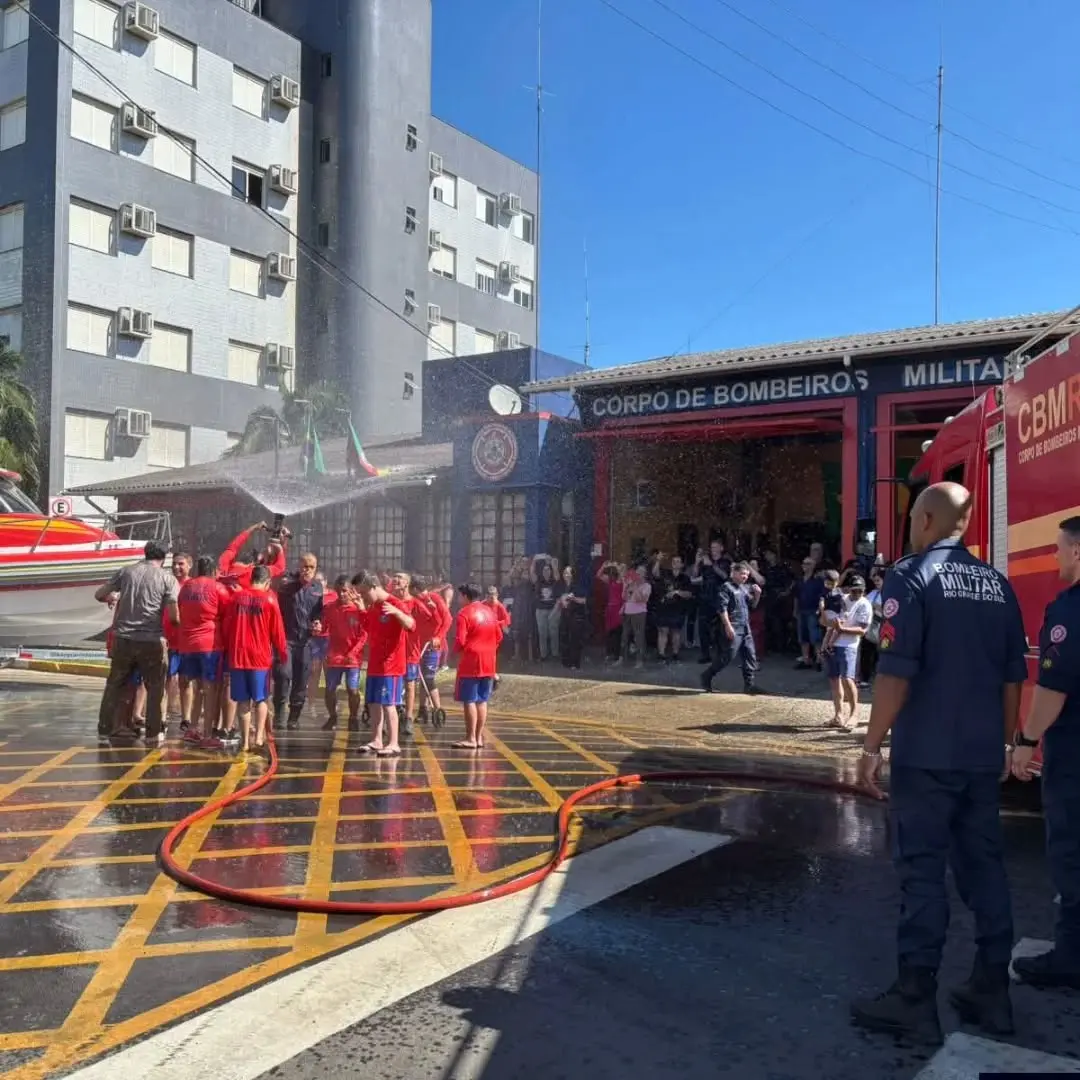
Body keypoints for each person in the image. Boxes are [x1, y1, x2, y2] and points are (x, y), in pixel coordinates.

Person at [852, 482, 1028, 1043]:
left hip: (926, 756)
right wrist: (1004, 744)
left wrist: (870, 745)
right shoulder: (998, 585)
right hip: (980, 758)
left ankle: (914, 998)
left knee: (923, 873)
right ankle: (992, 991)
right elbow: (1012, 678)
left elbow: (896, 672)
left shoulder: (910, 576)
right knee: (986, 869)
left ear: (926, 518)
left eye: (910, 516)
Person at [1011, 515, 1080, 990]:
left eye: (1059, 547)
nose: (1055, 555)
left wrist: (1026, 741)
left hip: (1075, 757)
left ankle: (1072, 957)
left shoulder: (1070, 610)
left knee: (1072, 853)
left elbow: (1053, 689)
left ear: (1078, 552)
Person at [95, 541, 180, 746]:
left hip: (123, 638)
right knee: (155, 687)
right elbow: (174, 616)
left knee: (114, 684)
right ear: (165, 557)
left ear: (146, 553)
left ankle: (105, 730)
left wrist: (113, 596)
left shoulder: (126, 572)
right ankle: (152, 734)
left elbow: (99, 594)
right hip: (151, 640)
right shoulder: (168, 579)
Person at [222, 564, 287, 755]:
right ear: (267, 582)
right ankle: (259, 736)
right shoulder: (269, 599)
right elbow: (278, 631)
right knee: (261, 698)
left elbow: (227, 626)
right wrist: (283, 653)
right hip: (260, 658)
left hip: (238, 656)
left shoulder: (236, 598)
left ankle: (244, 742)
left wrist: (227, 648)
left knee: (243, 701)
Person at [353, 570, 415, 756]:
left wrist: (397, 613)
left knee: (389, 703)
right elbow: (369, 628)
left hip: (391, 665)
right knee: (373, 702)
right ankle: (376, 740)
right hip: (375, 663)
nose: (363, 596)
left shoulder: (395, 603)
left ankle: (394, 742)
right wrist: (361, 609)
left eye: (364, 593)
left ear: (374, 587)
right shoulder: (373, 607)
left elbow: (411, 625)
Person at [176, 555, 232, 745]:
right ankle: (208, 733)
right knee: (210, 689)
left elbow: (180, 607)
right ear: (213, 571)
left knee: (197, 687)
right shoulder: (217, 588)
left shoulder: (186, 588)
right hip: (209, 644)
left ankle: (192, 728)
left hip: (188, 644)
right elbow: (228, 612)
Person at [271, 552, 324, 730]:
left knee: (301, 680)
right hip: (286, 639)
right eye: (304, 566)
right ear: (298, 566)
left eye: (311, 567)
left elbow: (319, 613)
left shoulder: (318, 588)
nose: (307, 570)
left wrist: (318, 623)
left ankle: (294, 717)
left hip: (306, 641)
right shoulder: (287, 585)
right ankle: (279, 715)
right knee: (283, 675)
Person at [453, 582, 503, 749]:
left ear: (466, 596)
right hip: (489, 661)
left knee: (469, 700)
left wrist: (456, 653)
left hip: (471, 661)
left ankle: (470, 738)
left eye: (460, 596)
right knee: (482, 700)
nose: (459, 599)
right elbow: (499, 636)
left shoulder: (464, 614)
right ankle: (479, 737)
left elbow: (460, 640)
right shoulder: (489, 611)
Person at [700, 561, 761, 695]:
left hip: (745, 626)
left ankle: (749, 685)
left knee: (750, 655)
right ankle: (707, 675)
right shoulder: (726, 587)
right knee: (728, 655)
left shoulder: (744, 588)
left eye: (746, 574)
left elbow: (752, 606)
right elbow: (722, 609)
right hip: (733, 626)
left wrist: (757, 595)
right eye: (742, 574)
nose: (745, 577)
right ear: (734, 574)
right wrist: (728, 626)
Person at [822, 575, 873, 731]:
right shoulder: (842, 599)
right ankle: (838, 715)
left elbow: (862, 630)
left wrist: (842, 629)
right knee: (834, 680)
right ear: (848, 589)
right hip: (833, 644)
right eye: (854, 590)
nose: (857, 593)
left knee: (847, 679)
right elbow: (828, 623)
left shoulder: (865, 604)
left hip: (848, 646)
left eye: (860, 590)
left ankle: (854, 714)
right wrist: (825, 643)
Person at [320, 578, 367, 733]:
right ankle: (332, 716)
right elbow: (323, 629)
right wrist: (317, 628)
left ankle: (353, 718)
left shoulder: (357, 610)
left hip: (352, 658)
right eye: (339, 590)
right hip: (335, 656)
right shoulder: (329, 608)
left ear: (350, 590)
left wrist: (353, 652)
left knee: (352, 689)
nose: (341, 594)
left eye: (345, 591)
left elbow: (364, 634)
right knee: (330, 689)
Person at [404, 576, 441, 736]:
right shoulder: (411, 601)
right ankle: (421, 710)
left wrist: (438, 636)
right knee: (416, 680)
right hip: (415, 644)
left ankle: (437, 709)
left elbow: (444, 620)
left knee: (427, 678)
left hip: (431, 644)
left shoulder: (434, 599)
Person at [218, 521, 287, 588]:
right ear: (252, 564)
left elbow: (232, 548)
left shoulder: (224, 569)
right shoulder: (253, 574)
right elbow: (279, 568)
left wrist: (252, 528)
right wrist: (281, 547)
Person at [164, 552, 191, 723]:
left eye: (180, 564)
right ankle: (161, 716)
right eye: (174, 564)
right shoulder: (167, 583)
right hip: (167, 641)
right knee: (165, 681)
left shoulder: (192, 586)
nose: (176, 567)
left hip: (186, 642)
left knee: (185, 681)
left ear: (189, 565)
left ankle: (186, 718)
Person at [655, 555, 693, 663]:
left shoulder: (685, 578)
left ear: (681, 565)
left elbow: (689, 594)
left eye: (678, 561)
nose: (675, 563)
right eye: (673, 561)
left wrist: (677, 592)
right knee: (663, 631)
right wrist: (658, 560)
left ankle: (675, 654)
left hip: (678, 608)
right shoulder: (665, 574)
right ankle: (661, 654)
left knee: (676, 632)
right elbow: (655, 574)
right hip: (664, 607)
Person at [794, 557, 826, 670]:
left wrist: (820, 610)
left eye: (807, 564)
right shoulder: (799, 580)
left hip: (813, 611)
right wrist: (795, 610)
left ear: (813, 566)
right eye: (803, 563)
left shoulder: (818, 580)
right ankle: (805, 660)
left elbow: (822, 596)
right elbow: (796, 597)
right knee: (803, 637)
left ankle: (819, 660)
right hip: (802, 610)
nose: (804, 565)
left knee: (815, 637)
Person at [306, 571, 332, 705]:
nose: (318, 583)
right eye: (315, 581)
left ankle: (330, 705)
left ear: (326, 581)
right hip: (314, 639)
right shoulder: (309, 595)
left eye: (321, 580)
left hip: (329, 639)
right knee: (314, 673)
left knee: (329, 674)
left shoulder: (333, 595)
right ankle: (311, 705)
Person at [620, 564, 651, 668]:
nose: (638, 574)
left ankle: (639, 661)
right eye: (637, 572)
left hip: (639, 613)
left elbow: (641, 599)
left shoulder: (647, 586)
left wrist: (635, 587)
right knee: (624, 636)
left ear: (644, 575)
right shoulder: (630, 584)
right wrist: (626, 586)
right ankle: (622, 659)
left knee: (639, 637)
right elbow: (624, 597)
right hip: (628, 612)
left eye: (641, 572)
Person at [531, 557, 562, 660]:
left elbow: (557, 574)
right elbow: (532, 573)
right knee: (542, 633)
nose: (546, 571)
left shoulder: (554, 580)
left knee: (554, 632)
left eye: (548, 569)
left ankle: (555, 654)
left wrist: (552, 563)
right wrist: (535, 560)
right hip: (540, 610)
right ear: (542, 571)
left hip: (553, 610)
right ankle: (543, 655)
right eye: (544, 570)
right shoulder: (539, 581)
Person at [859, 567, 886, 686]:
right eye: (874, 581)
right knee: (867, 652)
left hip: (884, 626)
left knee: (882, 653)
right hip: (870, 626)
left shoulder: (890, 593)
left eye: (878, 581)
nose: (876, 583)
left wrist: (876, 607)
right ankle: (865, 678)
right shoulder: (874, 593)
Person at [556, 572, 588, 670]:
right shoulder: (562, 587)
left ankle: (574, 663)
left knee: (574, 640)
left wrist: (573, 598)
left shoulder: (577, 587)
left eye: (569, 573)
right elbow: (559, 600)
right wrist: (560, 602)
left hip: (575, 615)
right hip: (564, 615)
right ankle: (566, 662)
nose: (567, 575)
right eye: (565, 573)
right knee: (564, 637)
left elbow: (584, 600)